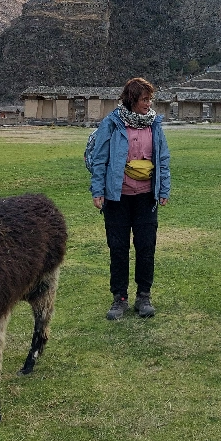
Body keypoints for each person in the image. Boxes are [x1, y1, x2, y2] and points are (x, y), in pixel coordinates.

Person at [89, 76, 171, 319]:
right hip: (117, 198)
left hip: (146, 197)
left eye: (149, 99)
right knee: (118, 248)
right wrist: (98, 190)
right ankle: (119, 298)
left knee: (146, 247)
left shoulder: (154, 124)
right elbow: (100, 158)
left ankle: (144, 296)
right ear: (132, 99)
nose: (148, 103)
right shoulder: (112, 123)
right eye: (144, 99)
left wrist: (163, 189)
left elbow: (162, 158)